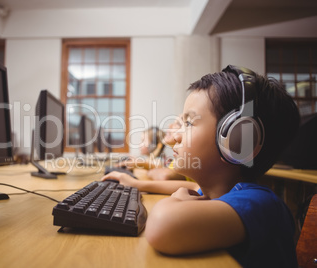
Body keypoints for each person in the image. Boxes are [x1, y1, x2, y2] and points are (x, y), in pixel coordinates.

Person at [102, 65, 299, 267]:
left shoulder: (259, 204)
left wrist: (176, 201)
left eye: (189, 123)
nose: (175, 136)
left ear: (237, 141)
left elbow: (161, 226)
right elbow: (190, 188)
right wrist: (137, 185)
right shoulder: (220, 191)